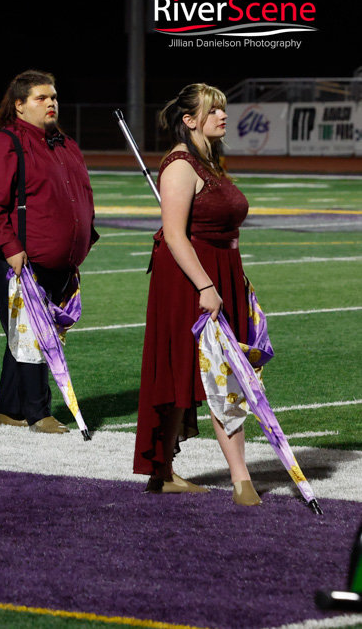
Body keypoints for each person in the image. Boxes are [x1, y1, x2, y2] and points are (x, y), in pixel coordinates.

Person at [133, 83, 260, 506]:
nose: (223, 116)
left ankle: (161, 473)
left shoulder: (210, 159)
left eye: (223, 109)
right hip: (190, 279)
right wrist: (206, 284)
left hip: (221, 274)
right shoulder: (180, 164)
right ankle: (242, 481)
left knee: (200, 373)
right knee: (204, 375)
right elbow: (173, 234)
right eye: (213, 111)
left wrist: (231, 280)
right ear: (190, 120)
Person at [0, 71, 97, 434]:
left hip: (58, 261)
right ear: (19, 105)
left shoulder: (63, 142)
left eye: (54, 97)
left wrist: (85, 237)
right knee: (34, 333)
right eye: (41, 97)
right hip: (17, 259)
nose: (51, 103)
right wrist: (11, 248)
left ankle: (8, 407)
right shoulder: (5, 143)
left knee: (24, 331)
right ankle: (38, 413)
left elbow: (81, 194)